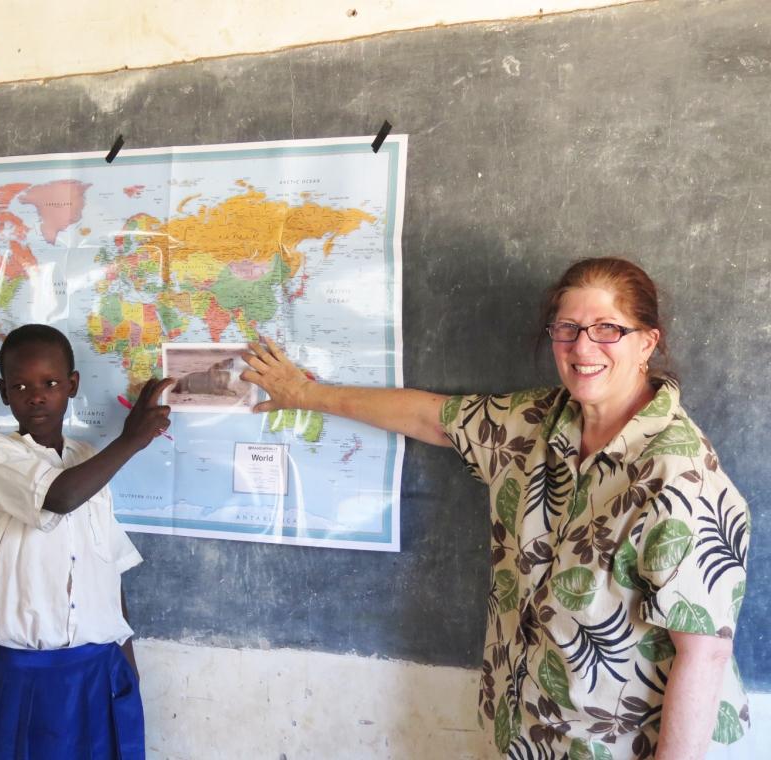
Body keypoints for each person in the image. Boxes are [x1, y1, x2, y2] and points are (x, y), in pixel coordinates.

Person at [241, 258, 749, 760]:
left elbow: (704, 653)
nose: (582, 347)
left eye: (607, 329)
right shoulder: (534, 423)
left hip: (615, 746)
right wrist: (303, 393)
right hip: (520, 731)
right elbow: (431, 417)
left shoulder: (680, 475)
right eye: (567, 328)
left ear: (647, 342)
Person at [0, 324, 173, 760]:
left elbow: (108, 564)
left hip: (97, 667)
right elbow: (58, 497)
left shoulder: (87, 461)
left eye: (51, 383)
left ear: (72, 385)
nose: (35, 395)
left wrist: (126, 662)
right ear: (4, 393)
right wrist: (132, 439)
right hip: (25, 674)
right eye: (20, 386)